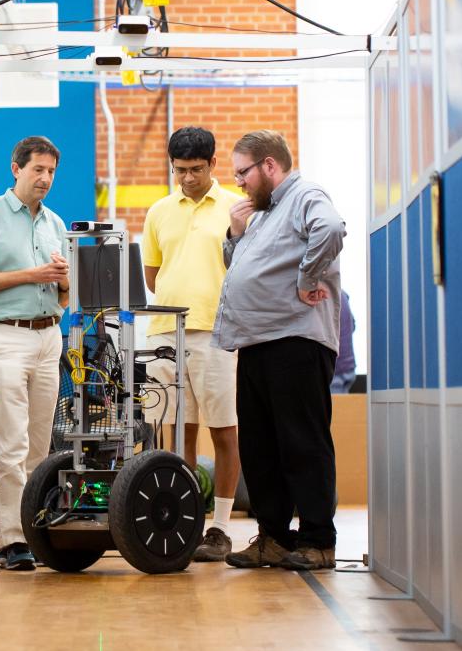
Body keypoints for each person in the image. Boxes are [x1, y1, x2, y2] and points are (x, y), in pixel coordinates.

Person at [213, 130, 347, 572]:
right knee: (260, 446)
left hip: (295, 339)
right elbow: (247, 270)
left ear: (269, 165)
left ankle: (316, 540)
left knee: (301, 442)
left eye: (243, 173)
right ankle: (272, 537)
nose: (240, 183)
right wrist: (235, 235)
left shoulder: (305, 194)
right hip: (257, 342)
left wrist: (309, 280)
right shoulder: (264, 213)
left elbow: (330, 229)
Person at [0, 136, 69, 572]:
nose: (45, 178)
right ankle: (12, 540)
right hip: (6, 336)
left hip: (48, 335)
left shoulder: (54, 223)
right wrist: (33, 274)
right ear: (16, 169)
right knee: (12, 439)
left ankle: (34, 529)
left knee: (40, 443)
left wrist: (61, 282)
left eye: (51, 172)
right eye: (38, 169)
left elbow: (65, 293)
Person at [140, 127, 245, 562]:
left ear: (213, 165)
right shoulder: (159, 211)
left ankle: (219, 527)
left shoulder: (236, 209)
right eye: (179, 170)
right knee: (173, 431)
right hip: (166, 330)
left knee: (222, 429)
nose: (186, 178)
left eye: (195, 170)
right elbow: (153, 275)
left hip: (217, 333)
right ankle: (182, 520)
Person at [332, 291, 357, 394]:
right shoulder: (343, 295)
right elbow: (353, 325)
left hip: (335, 370)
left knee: (334, 409)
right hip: (348, 367)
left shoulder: (325, 296)